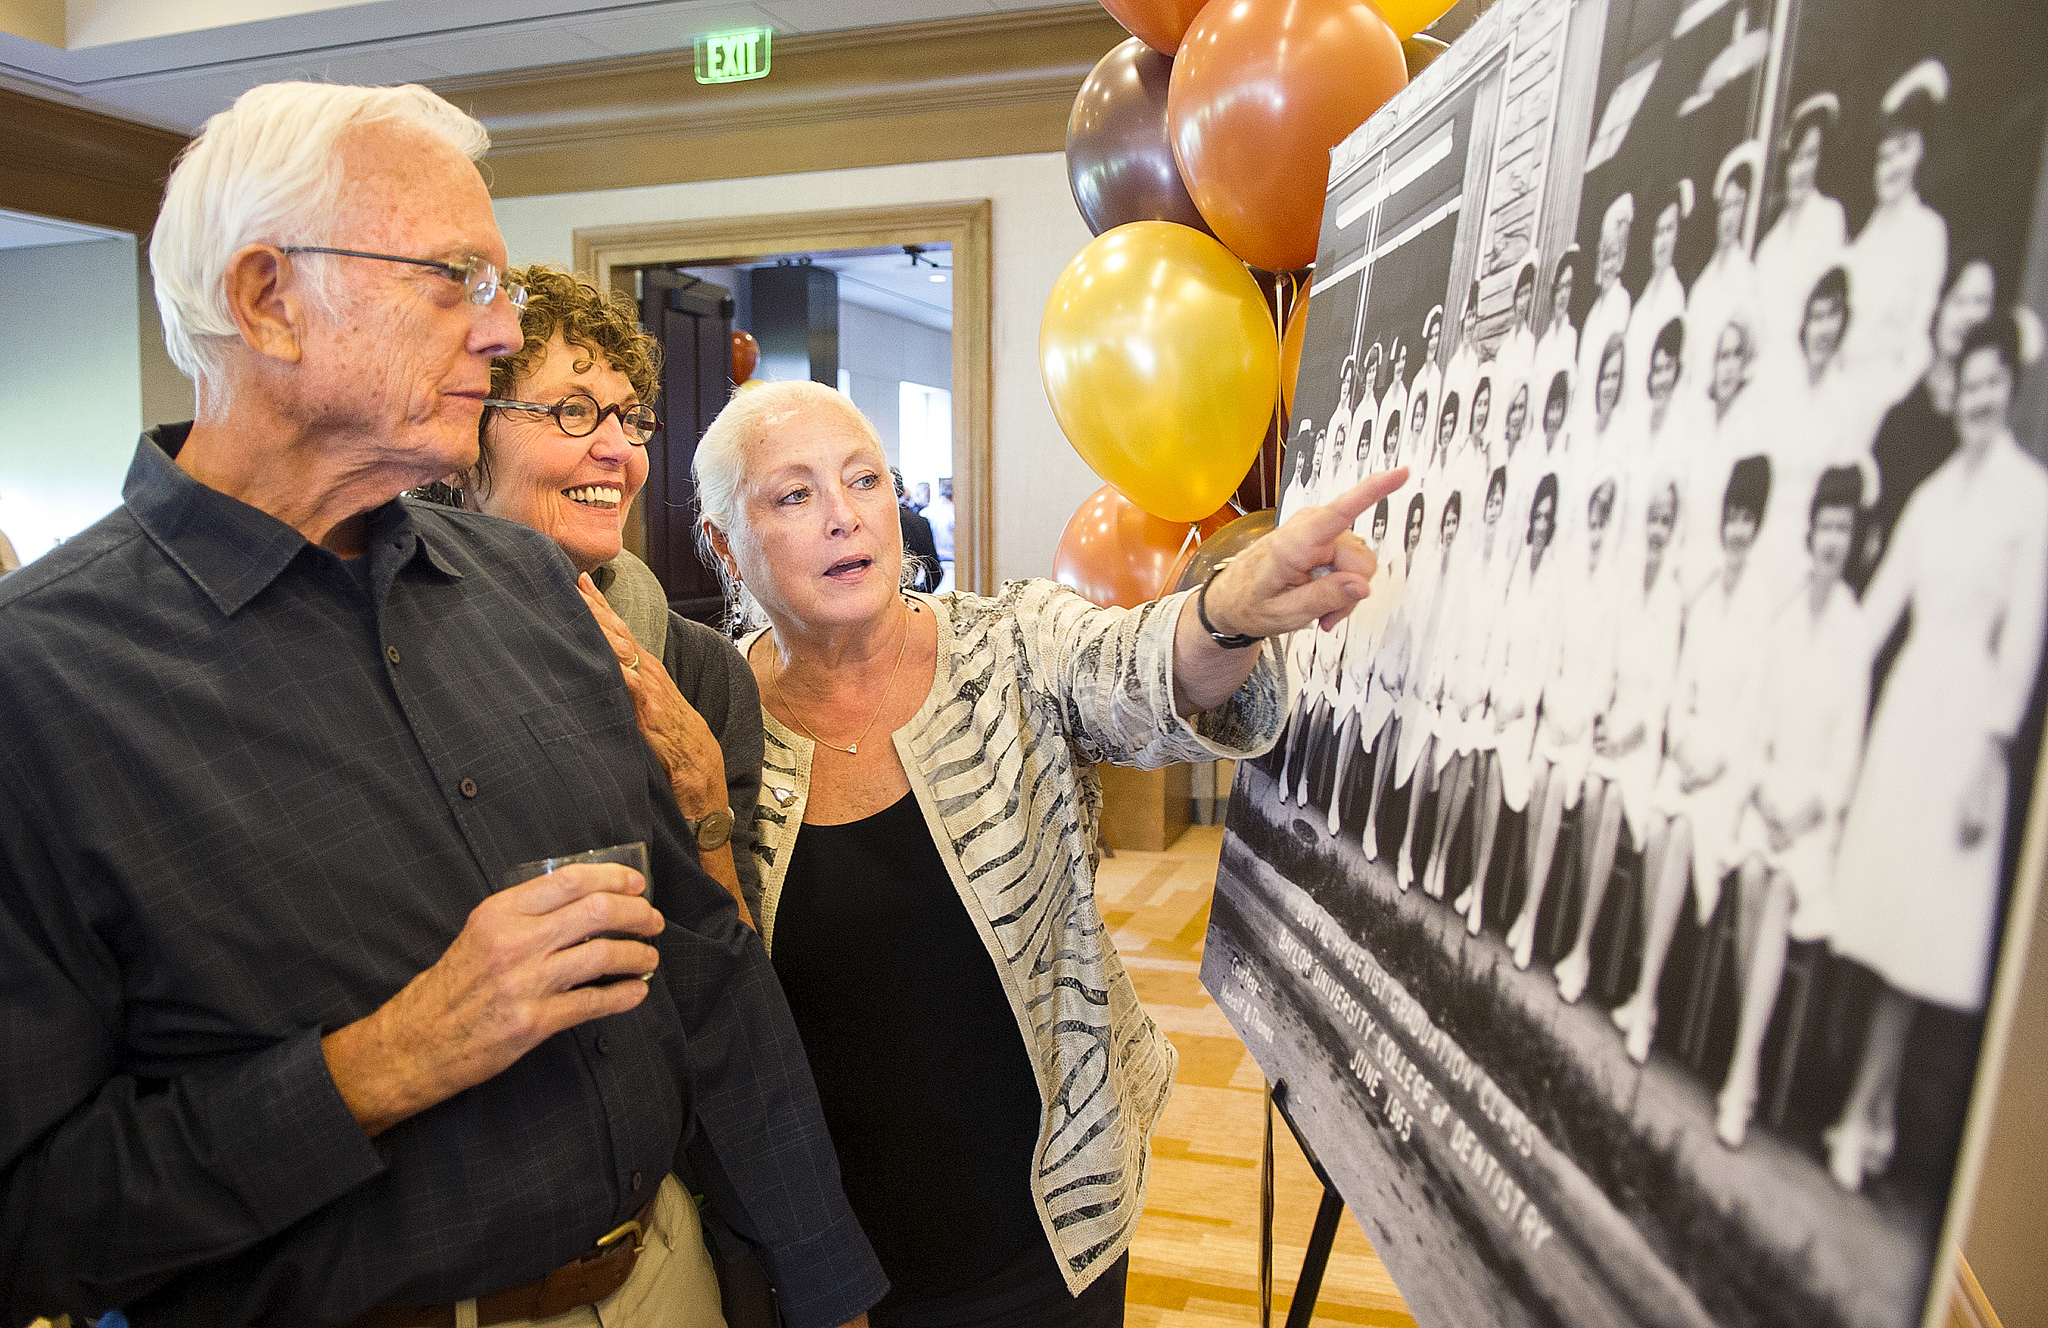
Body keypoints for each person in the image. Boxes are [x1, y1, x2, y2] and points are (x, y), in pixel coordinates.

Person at [0, 82, 885, 1328]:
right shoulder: (40, 683)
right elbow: (31, 1217)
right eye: (456, 278)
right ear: (268, 301)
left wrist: (822, 1274)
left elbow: (706, 965)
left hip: (662, 1279)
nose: (501, 328)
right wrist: (378, 1063)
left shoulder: (530, 589)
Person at [678, 380, 1402, 1326]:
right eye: (795, 494)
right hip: (827, 1258)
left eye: (865, 480)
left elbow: (1140, 665)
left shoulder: (1009, 645)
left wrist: (1229, 612)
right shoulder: (709, 718)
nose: (846, 517)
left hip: (1047, 1228)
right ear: (726, 544)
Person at [439, 263, 762, 922]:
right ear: (465, 439)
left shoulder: (698, 672)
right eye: (575, 412)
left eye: (632, 418)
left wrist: (701, 793)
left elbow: (742, 954)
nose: (620, 449)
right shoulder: (386, 643)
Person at [1825, 310, 2048, 1190]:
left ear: (2011, 389)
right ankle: (1870, 1111)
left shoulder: (2031, 498)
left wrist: (1991, 763)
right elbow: (1875, 616)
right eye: (1973, 380)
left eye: (1997, 382)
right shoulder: (1932, 494)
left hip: (1965, 733)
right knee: (1882, 923)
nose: (1981, 396)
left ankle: (1858, 1113)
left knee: (1922, 940)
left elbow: (2024, 642)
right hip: (1908, 717)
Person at [1716, 466, 1866, 1148]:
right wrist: (1763, 800)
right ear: (1810, 535)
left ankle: (1741, 1073)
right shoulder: (1783, 618)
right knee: (1749, 871)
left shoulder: (1855, 635)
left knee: (1776, 883)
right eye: (1824, 525)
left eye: (1844, 526)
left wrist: (1800, 816)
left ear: (1853, 537)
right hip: (1766, 795)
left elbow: (1845, 763)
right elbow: (1750, 731)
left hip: (1810, 820)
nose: (1832, 538)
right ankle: (1757, 1038)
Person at [1610, 457, 1775, 1064]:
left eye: (1746, 520)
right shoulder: (1705, 600)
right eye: (1731, 517)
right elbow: (1679, 694)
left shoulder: (1763, 611)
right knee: (1659, 825)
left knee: (1679, 829)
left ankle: (1647, 996)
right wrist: (1679, 745)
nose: (1736, 529)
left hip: (1726, 777)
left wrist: (1711, 765)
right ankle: (1646, 995)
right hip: (1687, 760)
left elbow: (1753, 713)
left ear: (1757, 529)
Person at [1553, 479, 1684, 1003]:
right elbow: (1604, 668)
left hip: (1643, 742)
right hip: (1607, 731)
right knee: (1597, 795)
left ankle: (1585, 948)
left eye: (1664, 522)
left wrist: (1630, 733)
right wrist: (1603, 721)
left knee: (1613, 799)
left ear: (1672, 531)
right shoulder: (1624, 590)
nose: (1656, 530)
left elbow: (1665, 691)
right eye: (1651, 520)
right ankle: (1579, 947)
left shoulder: (1673, 598)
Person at [1454, 474, 1561, 932]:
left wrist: (1518, 706)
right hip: (1498, 699)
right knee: (1475, 749)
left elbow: (1548, 658)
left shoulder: (1555, 579)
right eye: (1535, 515)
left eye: (1546, 518)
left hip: (1526, 714)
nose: (1539, 523)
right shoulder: (1514, 572)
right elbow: (1497, 641)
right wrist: (1494, 693)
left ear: (1553, 524)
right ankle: (1473, 888)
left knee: (1499, 760)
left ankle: (1481, 887)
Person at [1859, 258, 1996, 586]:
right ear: (1940, 307)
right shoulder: (1901, 411)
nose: (1969, 316)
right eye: (1960, 300)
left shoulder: (1984, 430)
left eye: (1982, 303)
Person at [1842, 60, 1951, 404]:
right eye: (1883, 157)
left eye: (1902, 151)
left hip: (1886, 396)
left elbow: (1918, 334)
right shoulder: (1864, 238)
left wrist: (1885, 400)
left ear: (1919, 153)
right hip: (1843, 392)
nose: (1890, 167)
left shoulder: (1927, 231)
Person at [1755, 92, 1848, 366]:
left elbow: (1829, 310)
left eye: (1810, 156)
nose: (1800, 170)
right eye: (1795, 158)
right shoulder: (1769, 246)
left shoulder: (1829, 218)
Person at [1685, 142, 1763, 403]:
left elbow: (1750, 356)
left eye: (1738, 205)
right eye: (1726, 206)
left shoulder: (1747, 277)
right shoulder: (1702, 285)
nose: (1730, 216)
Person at [1626, 180, 1692, 408]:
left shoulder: (1674, 296)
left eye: (1668, 230)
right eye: (1658, 232)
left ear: (1677, 236)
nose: (1662, 241)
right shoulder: (1642, 302)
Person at [893, 467, 941, 592]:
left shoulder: (861, 523)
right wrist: (919, 594)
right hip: (907, 597)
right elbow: (935, 572)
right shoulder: (918, 522)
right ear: (902, 491)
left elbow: (935, 571)